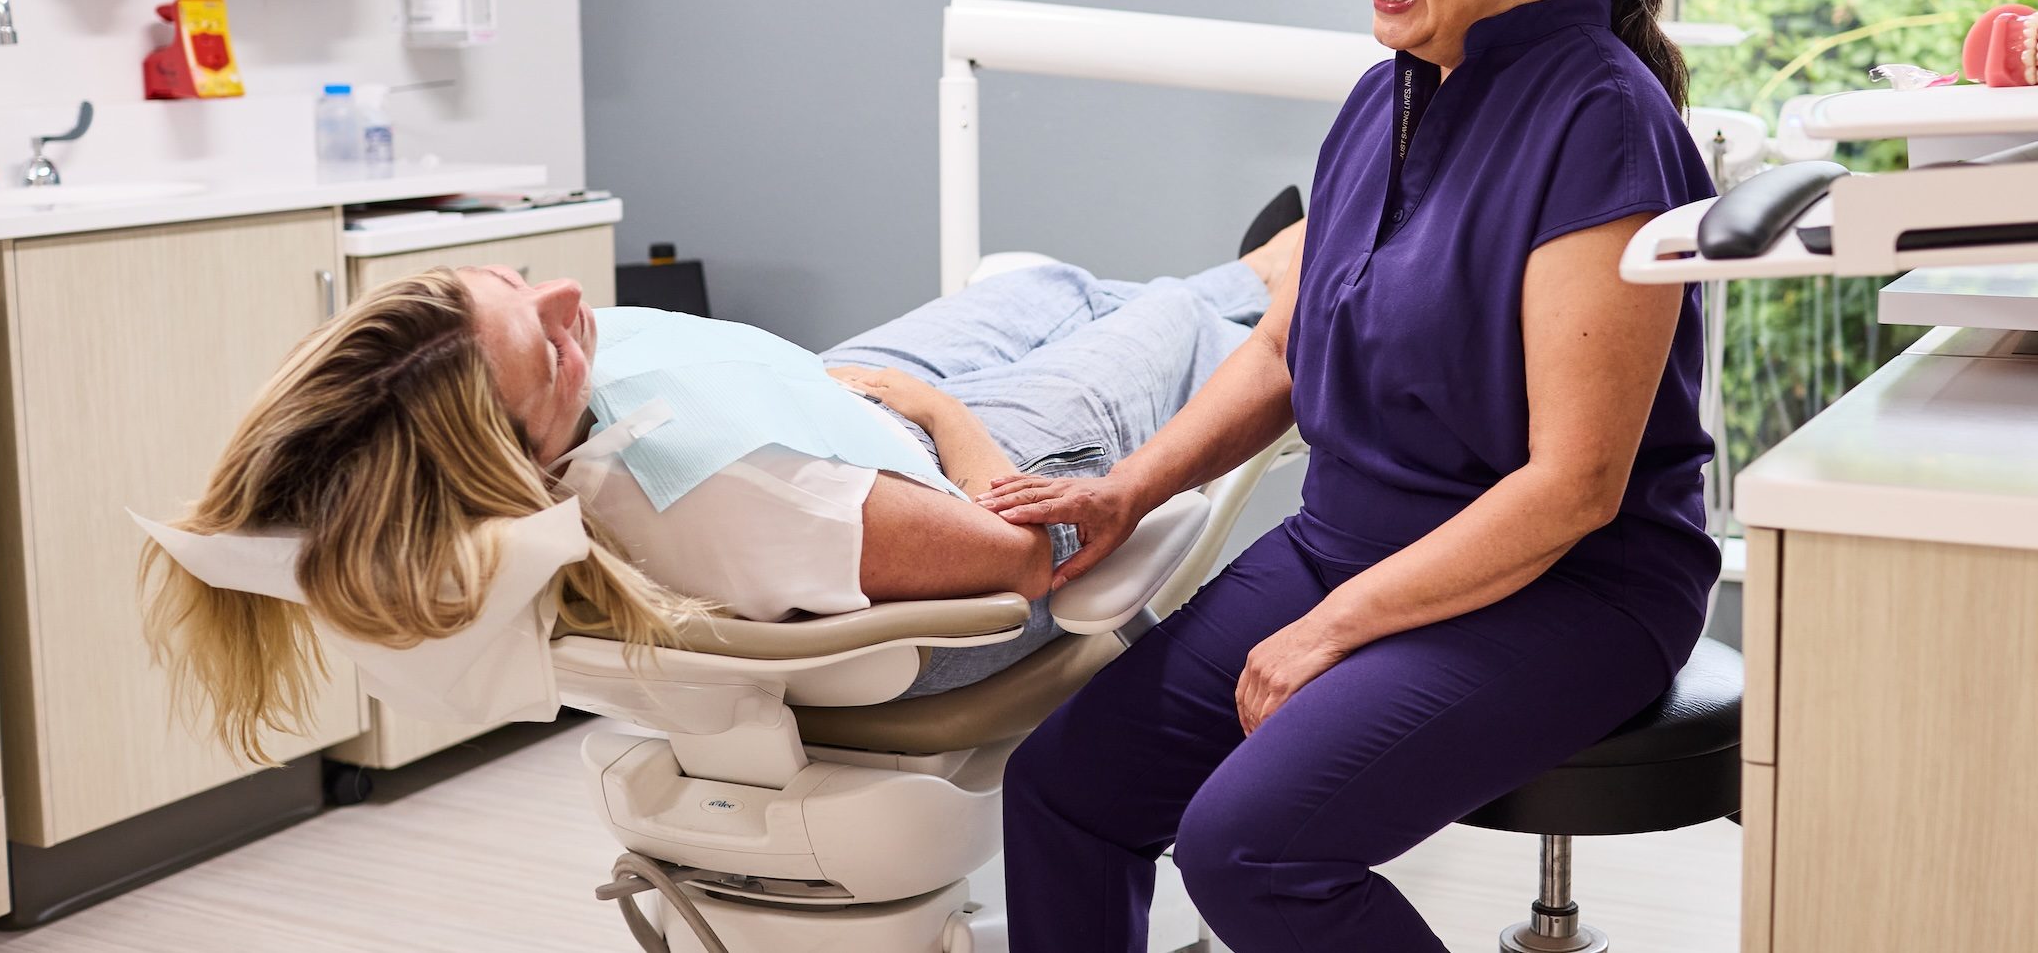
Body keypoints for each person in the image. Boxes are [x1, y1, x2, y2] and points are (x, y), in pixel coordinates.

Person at [982, 0, 1718, 951]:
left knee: (1251, 847)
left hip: (1567, 592)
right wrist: (1124, 490)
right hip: (1347, 542)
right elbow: (1282, 350)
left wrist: (1328, 631)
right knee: (1065, 790)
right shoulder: (1386, 94)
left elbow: (1575, 487)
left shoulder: (1601, 122)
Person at [140, 226, 1304, 762]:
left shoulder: (597, 441)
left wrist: (881, 394)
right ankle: (1320, 250)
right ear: (509, 464)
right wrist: (942, 413)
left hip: (834, 412)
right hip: (959, 483)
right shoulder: (730, 498)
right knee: (1187, 316)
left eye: (508, 281)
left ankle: (1245, 265)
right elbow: (1018, 562)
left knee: (1051, 275)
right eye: (544, 351)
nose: (560, 298)